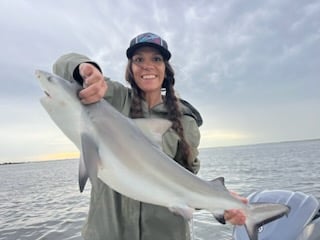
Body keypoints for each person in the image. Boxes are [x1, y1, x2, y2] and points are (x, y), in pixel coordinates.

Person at [53, 32, 247, 240]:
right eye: (138, 59)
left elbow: (186, 185)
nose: (147, 65)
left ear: (166, 68)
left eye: (156, 59)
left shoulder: (185, 122)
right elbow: (60, 68)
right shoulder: (112, 99)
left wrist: (220, 203)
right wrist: (86, 68)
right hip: (106, 233)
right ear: (131, 69)